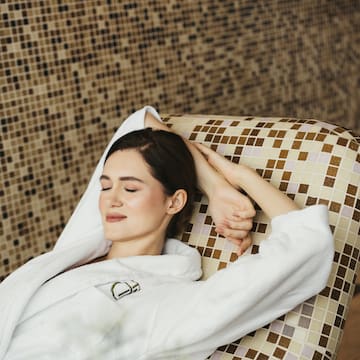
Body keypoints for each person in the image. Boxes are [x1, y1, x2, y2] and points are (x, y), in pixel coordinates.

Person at [0, 106, 333, 360]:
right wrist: (215, 186)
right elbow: (140, 121)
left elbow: (305, 245)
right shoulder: (85, 246)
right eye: (105, 186)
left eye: (130, 188)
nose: (111, 198)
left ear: (174, 201)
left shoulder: (170, 304)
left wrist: (241, 176)